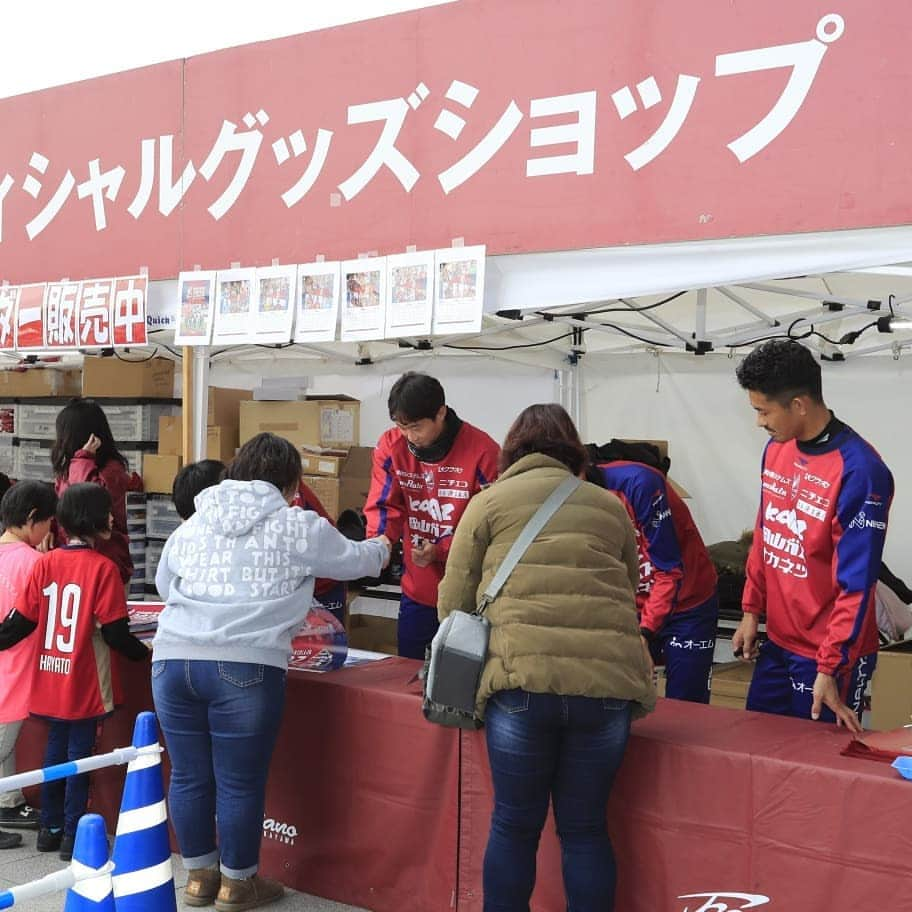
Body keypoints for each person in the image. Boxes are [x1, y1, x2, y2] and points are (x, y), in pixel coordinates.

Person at [152, 432, 390, 911]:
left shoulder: (193, 523)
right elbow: (356, 561)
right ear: (292, 485)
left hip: (172, 661)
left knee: (189, 777)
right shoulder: (296, 524)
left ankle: (198, 879)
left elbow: (163, 584)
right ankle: (238, 884)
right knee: (239, 782)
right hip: (246, 664)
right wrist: (385, 543)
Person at [437, 404, 655, 912]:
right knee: (585, 829)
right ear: (572, 450)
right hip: (607, 689)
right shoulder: (609, 506)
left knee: (514, 825)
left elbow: (452, 604)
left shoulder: (488, 503)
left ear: (512, 451)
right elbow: (628, 588)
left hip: (519, 683)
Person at [733, 340, 894, 732]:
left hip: (828, 653)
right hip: (780, 643)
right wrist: (751, 611)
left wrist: (830, 666)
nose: (759, 422)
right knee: (759, 749)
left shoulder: (861, 470)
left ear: (800, 405)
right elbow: (766, 534)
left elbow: (857, 582)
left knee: (823, 770)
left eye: (763, 411)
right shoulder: (776, 450)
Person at [0, 483, 150, 861]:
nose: (114, 518)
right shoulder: (104, 569)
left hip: (49, 676)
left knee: (54, 752)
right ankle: (72, 834)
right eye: (109, 512)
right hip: (83, 682)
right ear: (96, 519)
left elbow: (20, 621)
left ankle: (49, 829)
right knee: (80, 756)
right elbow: (115, 632)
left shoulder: (45, 562)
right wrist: (143, 651)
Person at [364, 372, 499, 658]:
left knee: (459, 685)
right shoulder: (391, 446)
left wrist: (441, 550)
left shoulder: (483, 451)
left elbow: (495, 525)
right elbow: (384, 505)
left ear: (441, 413)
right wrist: (378, 545)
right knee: (409, 676)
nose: (410, 437)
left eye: (416, 427)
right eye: (402, 427)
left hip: (469, 593)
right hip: (418, 591)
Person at [588, 451, 719, 703]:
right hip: (630, 607)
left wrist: (645, 633)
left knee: (687, 706)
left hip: (687, 602)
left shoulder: (639, 483)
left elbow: (668, 571)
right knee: (620, 700)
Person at [0, 482, 57, 847]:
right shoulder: (37, 564)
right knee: (2, 745)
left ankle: (7, 800)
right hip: (15, 674)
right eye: (49, 521)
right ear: (33, 518)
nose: (51, 531)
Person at [52, 398, 143, 585]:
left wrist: (83, 459)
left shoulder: (111, 470)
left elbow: (85, 501)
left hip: (105, 563)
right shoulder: (71, 467)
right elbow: (62, 506)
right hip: (75, 561)